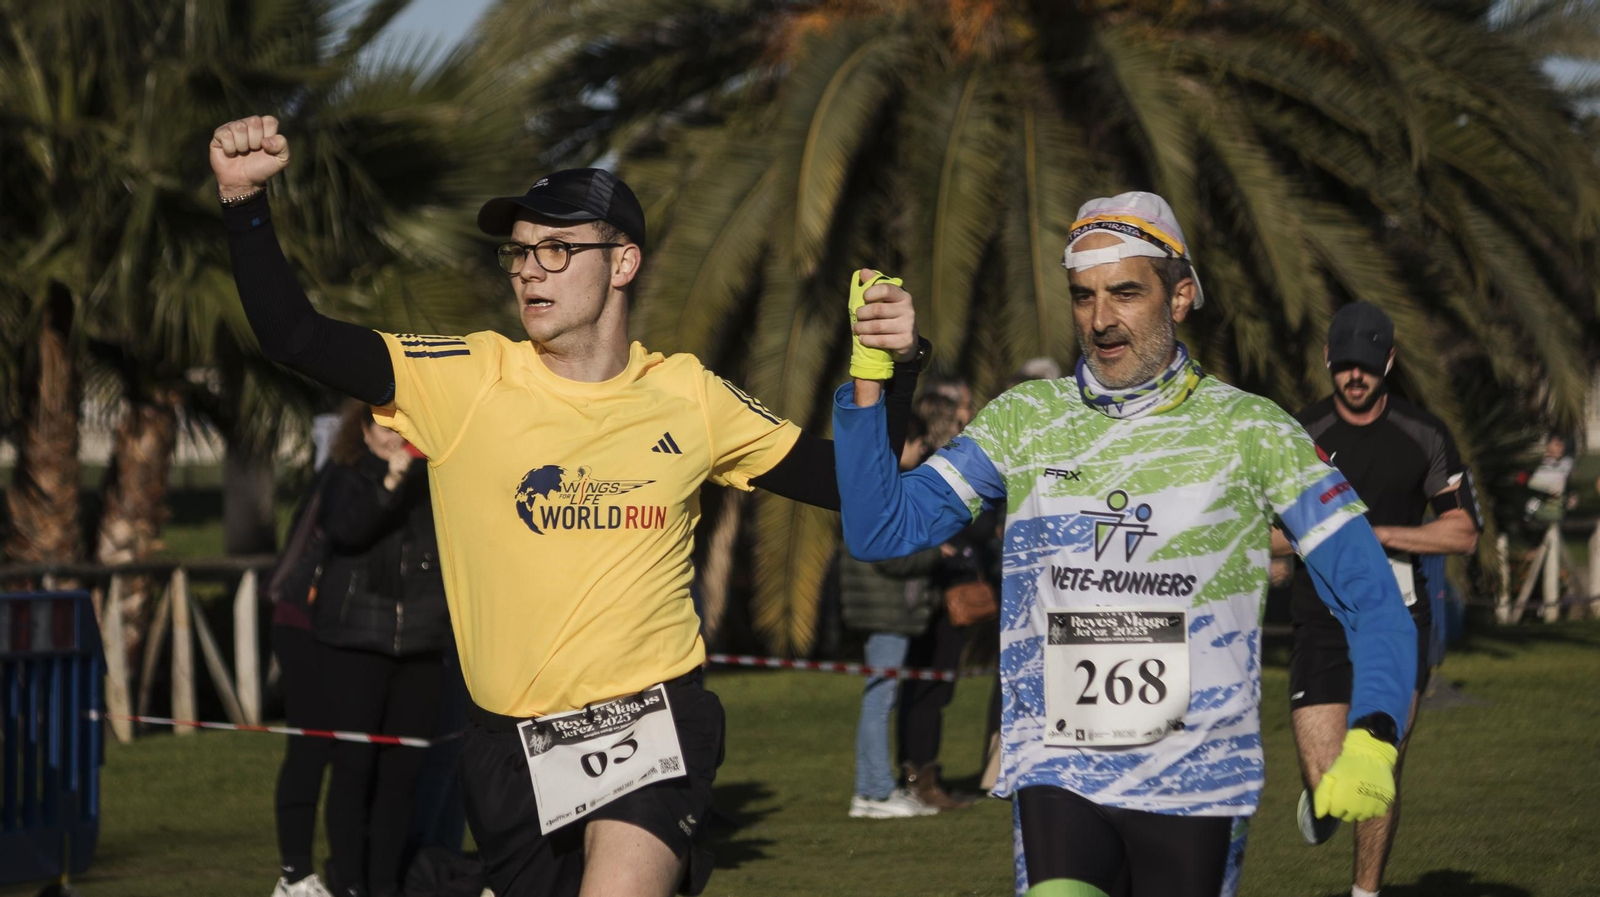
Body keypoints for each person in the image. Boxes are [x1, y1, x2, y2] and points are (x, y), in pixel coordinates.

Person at [209, 114, 923, 897]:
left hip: (652, 721)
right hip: (508, 748)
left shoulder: (688, 394)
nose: (529, 271)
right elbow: (296, 336)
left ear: (624, 262)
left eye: (556, 249)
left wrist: (893, 370)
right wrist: (244, 204)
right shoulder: (466, 379)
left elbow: (855, 482)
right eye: (519, 252)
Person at [830, 191, 1417, 897]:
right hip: (1058, 769)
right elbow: (881, 529)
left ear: (1181, 296)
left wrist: (1375, 731)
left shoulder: (1253, 430)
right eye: (1083, 296)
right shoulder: (1025, 420)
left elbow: (1371, 594)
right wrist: (874, 375)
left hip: (1198, 780)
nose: (1101, 319)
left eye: (1126, 292)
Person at [1271, 303, 1480, 897]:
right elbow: (1268, 531)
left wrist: (1381, 535)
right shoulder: (1302, 435)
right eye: (1344, 365)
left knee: (1376, 769)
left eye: (1366, 364)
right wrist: (1327, 539)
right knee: (1326, 780)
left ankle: (1366, 893)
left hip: (1398, 621)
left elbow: (1463, 532)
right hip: (1320, 621)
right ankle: (1322, 796)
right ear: (1328, 361)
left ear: (1388, 361)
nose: (1355, 376)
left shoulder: (1423, 435)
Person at [313, 401, 452, 897]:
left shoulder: (435, 480)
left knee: (403, 774)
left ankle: (386, 883)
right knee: (354, 768)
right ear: (364, 430)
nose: (394, 437)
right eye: (383, 426)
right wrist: (389, 483)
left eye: (402, 427)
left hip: (422, 643)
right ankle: (349, 881)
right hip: (356, 640)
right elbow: (346, 530)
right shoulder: (346, 475)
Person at [840, 407, 942, 819]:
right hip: (886, 610)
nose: (922, 453)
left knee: (879, 696)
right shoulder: (883, 486)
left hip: (881, 608)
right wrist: (936, 551)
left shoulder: (868, 479)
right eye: (919, 446)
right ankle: (875, 792)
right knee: (880, 699)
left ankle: (873, 789)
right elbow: (892, 554)